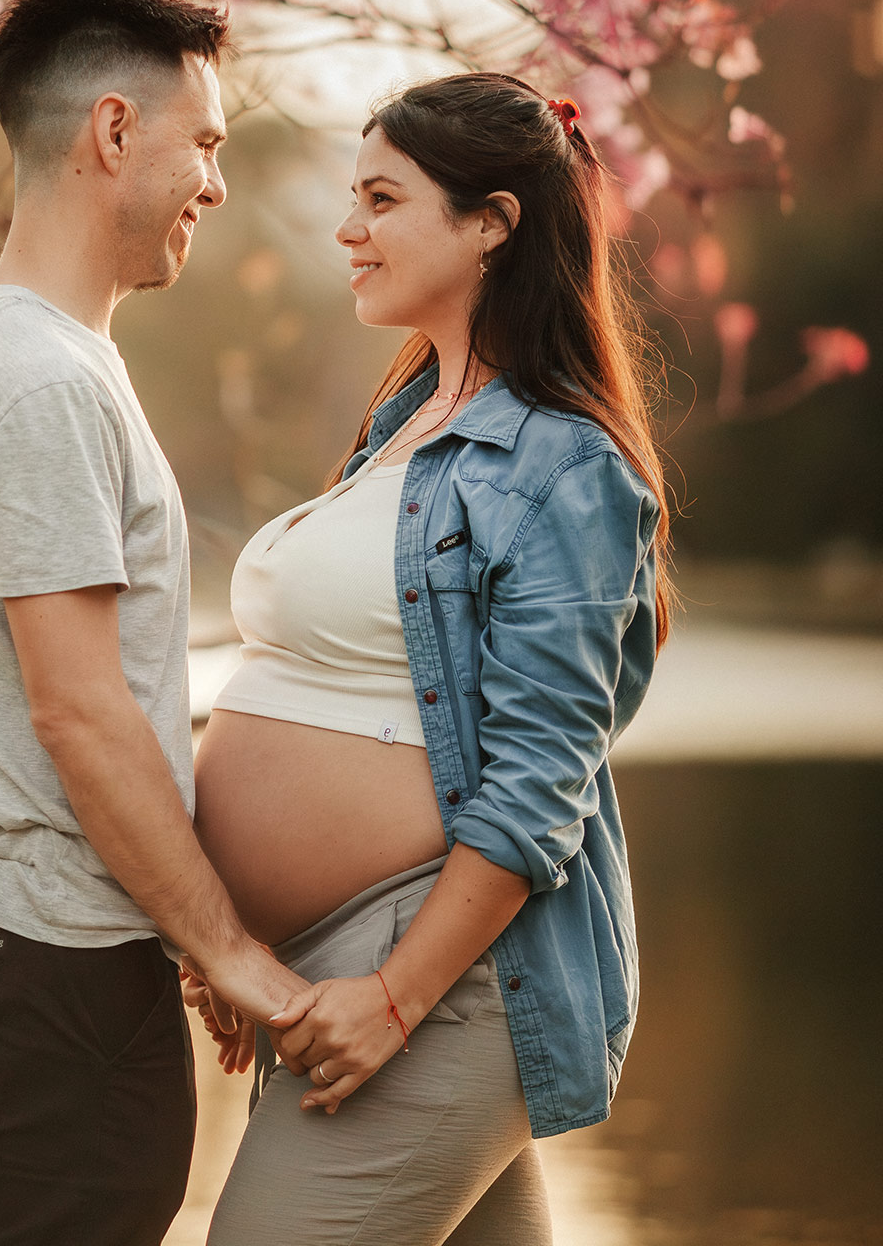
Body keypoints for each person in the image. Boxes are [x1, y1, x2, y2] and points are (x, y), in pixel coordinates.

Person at [188, 72, 677, 1246]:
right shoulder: (404, 414)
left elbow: (533, 792)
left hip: (440, 979)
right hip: (343, 967)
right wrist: (234, 939)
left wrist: (391, 998)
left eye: (380, 199)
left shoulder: (563, 465)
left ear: (489, 224)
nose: (346, 230)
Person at [0, 0, 314, 1246]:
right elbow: (80, 713)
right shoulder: (39, 382)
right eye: (205, 144)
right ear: (113, 133)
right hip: (45, 962)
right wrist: (225, 948)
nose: (217, 185)